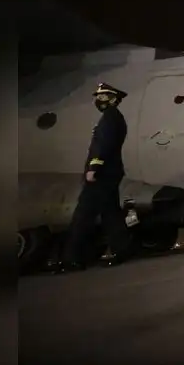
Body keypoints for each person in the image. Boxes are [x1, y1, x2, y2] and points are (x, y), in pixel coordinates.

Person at [56, 82, 134, 272]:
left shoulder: (110, 118)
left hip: (101, 174)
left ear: (113, 99)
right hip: (110, 173)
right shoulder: (114, 118)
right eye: (98, 97)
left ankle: (73, 258)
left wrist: (93, 168)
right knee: (110, 214)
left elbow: (103, 146)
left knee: (83, 216)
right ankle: (123, 250)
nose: (99, 100)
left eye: (103, 97)